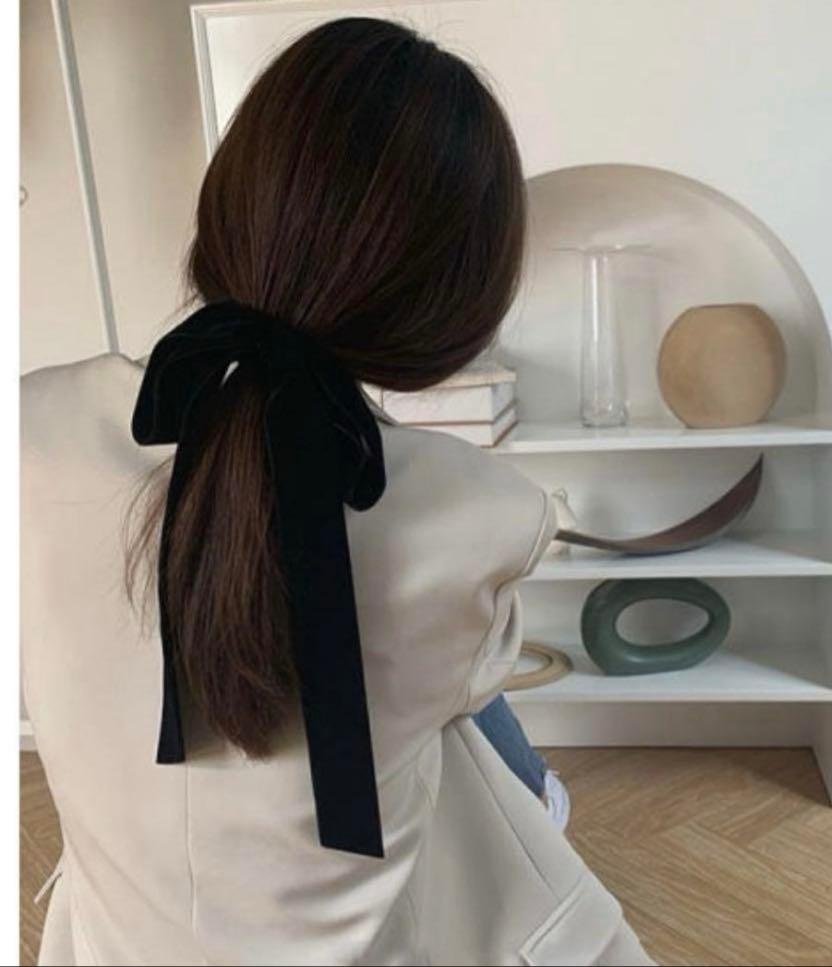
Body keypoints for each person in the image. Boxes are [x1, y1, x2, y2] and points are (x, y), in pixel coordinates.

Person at [20, 17, 651, 967]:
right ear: (458, 298)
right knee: (476, 744)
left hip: (112, 940)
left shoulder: (32, 429)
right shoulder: (483, 515)